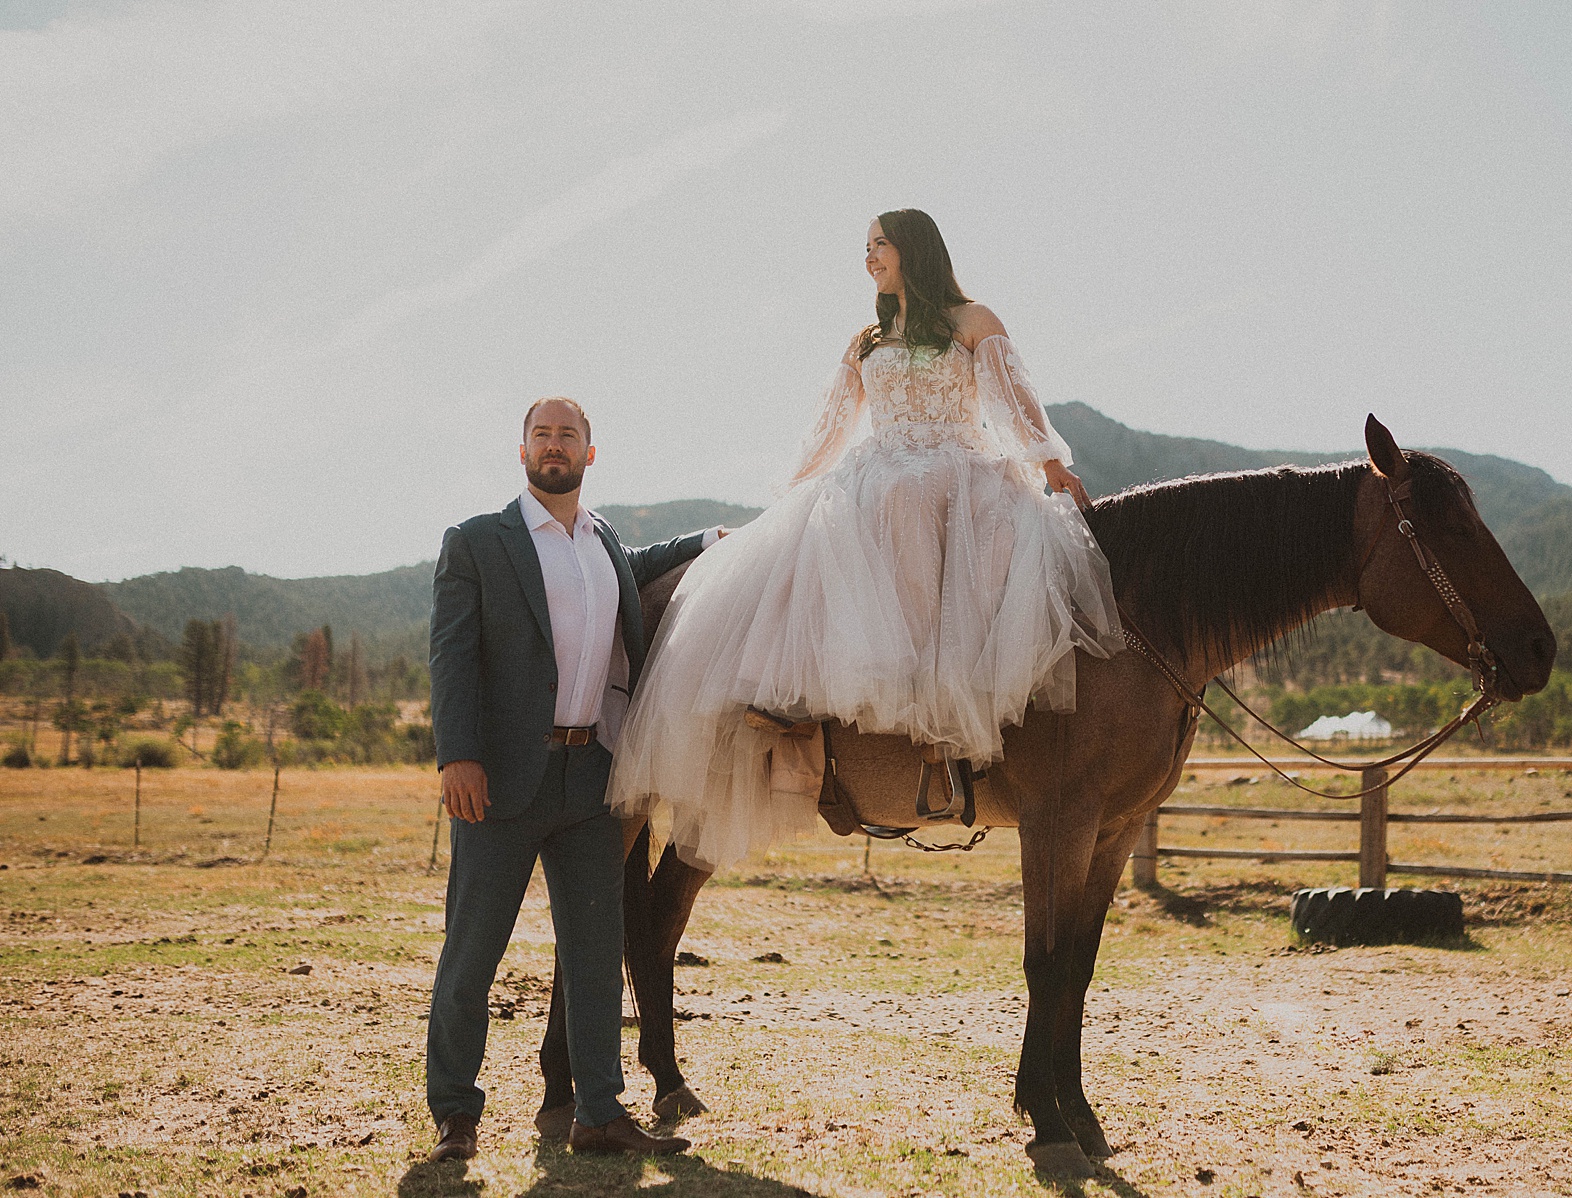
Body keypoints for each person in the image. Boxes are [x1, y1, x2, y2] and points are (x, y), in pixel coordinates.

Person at [607, 209, 1120, 871]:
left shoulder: (972, 321)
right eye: (867, 246)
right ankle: (799, 719)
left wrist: (1048, 462)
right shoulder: (865, 341)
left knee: (959, 529)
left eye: (880, 244)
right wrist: (796, 489)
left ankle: (958, 727)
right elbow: (832, 424)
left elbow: (1011, 398)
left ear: (914, 248)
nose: (870, 256)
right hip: (881, 469)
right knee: (830, 531)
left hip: (958, 469)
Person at [424, 397, 718, 1162]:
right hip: (499, 784)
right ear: (521, 448)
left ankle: (598, 1114)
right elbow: (451, 656)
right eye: (542, 434)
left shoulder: (602, 540)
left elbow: (646, 567)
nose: (554, 445)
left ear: (591, 454)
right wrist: (458, 753)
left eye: (569, 436)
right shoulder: (478, 542)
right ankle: (456, 1111)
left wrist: (711, 538)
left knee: (592, 954)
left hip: (591, 777)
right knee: (473, 954)